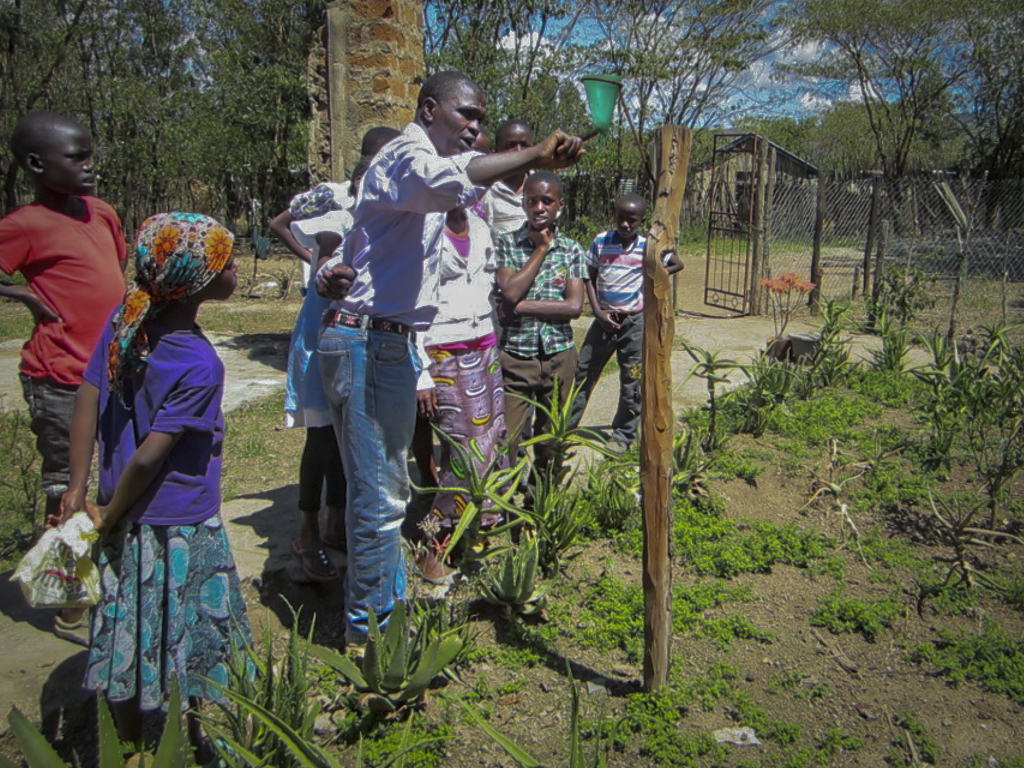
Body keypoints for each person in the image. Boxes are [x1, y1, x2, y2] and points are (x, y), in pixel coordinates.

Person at [315, 69, 584, 647]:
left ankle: (385, 617)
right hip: (368, 343)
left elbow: (375, 236)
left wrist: (539, 165)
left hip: (384, 338)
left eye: (482, 119)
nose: (475, 127)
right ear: (431, 108)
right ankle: (369, 637)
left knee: (384, 494)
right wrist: (534, 152)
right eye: (468, 115)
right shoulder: (406, 156)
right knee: (380, 498)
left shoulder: (430, 181)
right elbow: (451, 182)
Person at [59, 213, 251, 763]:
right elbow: (150, 457)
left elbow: (87, 397)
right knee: (183, 629)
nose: (236, 267)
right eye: (227, 261)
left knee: (129, 626)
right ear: (197, 281)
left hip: (122, 516)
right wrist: (111, 510)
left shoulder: (126, 322)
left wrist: (80, 491)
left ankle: (131, 738)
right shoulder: (199, 363)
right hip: (178, 522)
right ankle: (186, 731)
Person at [0, 111, 127, 646]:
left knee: (113, 481)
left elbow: (115, 274)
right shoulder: (23, 225)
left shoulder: (100, 212)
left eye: (90, 155)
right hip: (60, 377)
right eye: (76, 158)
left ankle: (106, 577)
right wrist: (25, 295)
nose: (89, 167)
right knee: (65, 490)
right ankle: (69, 606)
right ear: (35, 164)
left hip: (111, 376)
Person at [269, 126, 400, 583]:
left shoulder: (393, 205)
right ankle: (307, 529)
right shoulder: (334, 201)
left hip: (361, 329)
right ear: (364, 160)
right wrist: (314, 265)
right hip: (326, 326)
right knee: (323, 434)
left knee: (351, 432)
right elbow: (283, 225)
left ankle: (335, 519)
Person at [413, 196, 506, 583]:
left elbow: (487, 288)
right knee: (464, 449)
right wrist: (421, 372)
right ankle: (433, 545)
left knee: (491, 442)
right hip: (443, 349)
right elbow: (413, 300)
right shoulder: (426, 229)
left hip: (484, 345)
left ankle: (473, 533)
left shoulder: (481, 226)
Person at [569, 194, 683, 450]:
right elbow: (590, 276)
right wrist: (597, 311)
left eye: (631, 220)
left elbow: (677, 263)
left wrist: (655, 272)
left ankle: (623, 435)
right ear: (615, 216)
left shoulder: (646, 247)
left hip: (633, 323)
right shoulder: (602, 241)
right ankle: (565, 427)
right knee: (582, 372)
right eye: (621, 218)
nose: (625, 225)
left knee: (632, 379)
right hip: (603, 320)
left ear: (641, 221)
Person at [495, 170, 585, 478]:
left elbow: (574, 306)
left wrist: (519, 307)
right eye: (532, 200)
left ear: (560, 205)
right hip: (516, 356)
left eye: (547, 201)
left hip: (559, 355)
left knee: (551, 438)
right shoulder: (507, 244)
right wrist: (541, 249)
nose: (539, 207)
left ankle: (539, 504)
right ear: (523, 204)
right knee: (507, 438)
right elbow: (509, 290)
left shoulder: (572, 249)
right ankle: (503, 510)